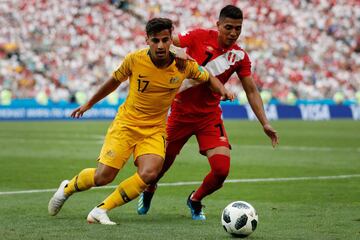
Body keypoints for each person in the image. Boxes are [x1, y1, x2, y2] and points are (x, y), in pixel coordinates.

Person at [47, 17, 234, 225]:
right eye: (156, 40)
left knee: (150, 173)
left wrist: (222, 90)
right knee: (103, 177)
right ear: (147, 40)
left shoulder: (184, 65)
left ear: (171, 40)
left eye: (165, 40)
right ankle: (67, 188)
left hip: (154, 130)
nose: (161, 45)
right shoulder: (134, 60)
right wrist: (89, 104)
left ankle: (101, 210)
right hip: (126, 125)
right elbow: (113, 82)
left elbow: (206, 76)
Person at [137, 5, 279, 220]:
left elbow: (251, 90)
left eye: (238, 29)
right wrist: (183, 59)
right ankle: (149, 190)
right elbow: (167, 45)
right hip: (180, 114)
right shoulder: (198, 36)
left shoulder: (239, 56)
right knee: (159, 167)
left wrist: (265, 123)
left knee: (221, 171)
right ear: (218, 25)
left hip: (209, 116)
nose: (233, 33)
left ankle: (195, 199)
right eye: (228, 27)